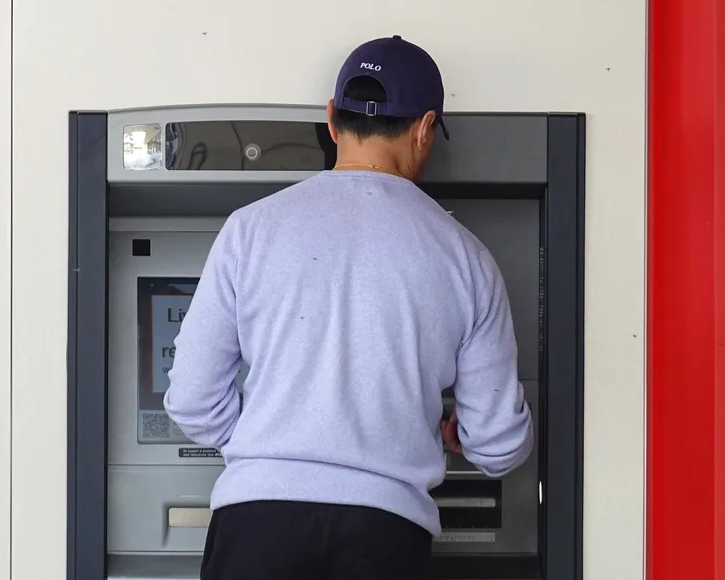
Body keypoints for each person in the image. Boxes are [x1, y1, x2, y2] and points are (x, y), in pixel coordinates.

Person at [163, 36, 533, 580]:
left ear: (333, 119)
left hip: (254, 527)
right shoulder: (466, 257)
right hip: (384, 536)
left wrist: (270, 444)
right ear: (426, 127)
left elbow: (192, 400)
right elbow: (499, 445)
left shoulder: (252, 229)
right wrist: (463, 433)